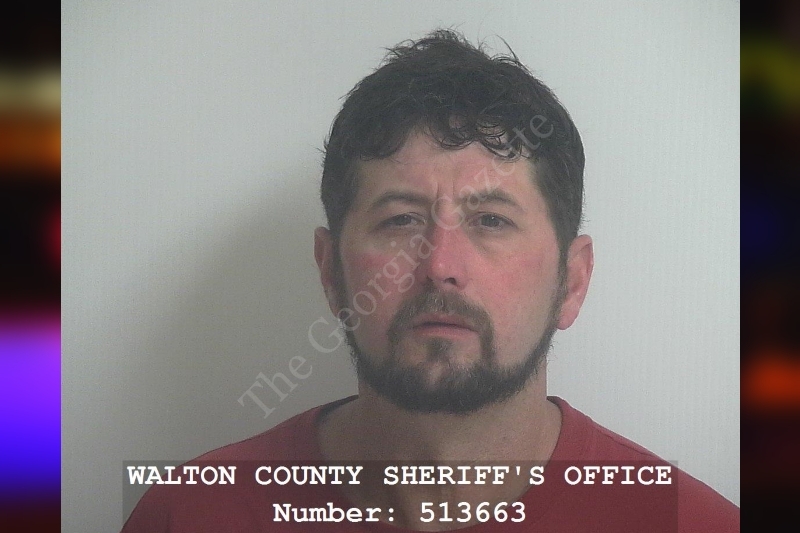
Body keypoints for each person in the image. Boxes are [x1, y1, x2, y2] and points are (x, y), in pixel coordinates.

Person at [121, 30, 739, 532]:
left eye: (490, 220)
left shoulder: (693, 524)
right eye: (400, 220)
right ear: (330, 271)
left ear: (571, 282)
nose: (440, 264)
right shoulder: (188, 514)